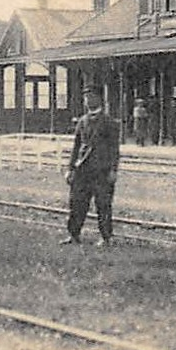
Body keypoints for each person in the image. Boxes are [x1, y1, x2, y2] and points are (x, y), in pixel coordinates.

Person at [62, 85, 120, 247]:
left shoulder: (110, 122)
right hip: (82, 170)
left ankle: (106, 237)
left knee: (103, 204)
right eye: (86, 97)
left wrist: (113, 170)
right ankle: (74, 235)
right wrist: (70, 169)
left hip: (101, 170)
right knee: (77, 203)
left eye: (91, 97)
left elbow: (115, 150)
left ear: (99, 98)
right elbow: (76, 147)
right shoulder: (82, 121)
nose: (88, 100)